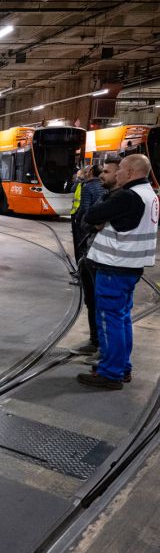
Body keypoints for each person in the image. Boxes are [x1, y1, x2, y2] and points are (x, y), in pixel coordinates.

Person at [78, 154, 158, 390]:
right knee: (121, 318)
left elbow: (91, 215)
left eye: (120, 169)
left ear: (131, 172)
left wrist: (101, 218)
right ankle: (122, 367)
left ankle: (110, 373)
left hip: (114, 265)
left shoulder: (127, 196)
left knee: (109, 319)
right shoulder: (149, 194)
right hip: (130, 267)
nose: (118, 173)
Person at [70, 160, 114, 358]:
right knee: (92, 300)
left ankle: (103, 349)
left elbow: (86, 216)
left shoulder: (120, 197)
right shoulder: (106, 194)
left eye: (108, 171)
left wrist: (89, 223)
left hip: (105, 259)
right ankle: (96, 342)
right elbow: (91, 219)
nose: (103, 175)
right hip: (93, 253)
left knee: (102, 304)